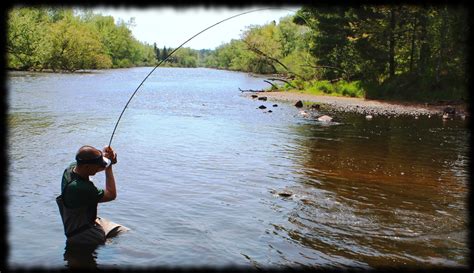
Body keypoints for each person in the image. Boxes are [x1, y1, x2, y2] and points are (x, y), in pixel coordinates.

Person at [56, 145, 129, 245]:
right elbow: (111, 194)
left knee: (125, 233)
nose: (101, 167)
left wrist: (108, 160)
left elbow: (94, 167)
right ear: (86, 167)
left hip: (88, 221)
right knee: (120, 244)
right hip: (83, 233)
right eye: (98, 165)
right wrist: (109, 167)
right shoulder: (80, 188)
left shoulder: (72, 168)